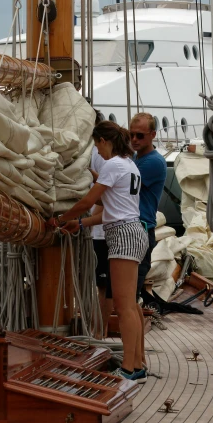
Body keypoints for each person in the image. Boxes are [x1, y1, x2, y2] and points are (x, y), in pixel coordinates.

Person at [51, 121, 148, 381]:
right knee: (131, 306)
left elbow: (87, 201)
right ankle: (137, 363)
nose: (98, 152)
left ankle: (128, 369)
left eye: (97, 145)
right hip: (131, 231)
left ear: (105, 141)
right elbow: (108, 211)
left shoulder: (113, 164)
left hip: (123, 236)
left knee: (124, 306)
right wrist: (80, 223)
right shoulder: (129, 165)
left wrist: (60, 219)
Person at [130, 112, 167, 364]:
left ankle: (136, 361)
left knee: (129, 300)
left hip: (141, 231)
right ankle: (135, 357)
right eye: (131, 135)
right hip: (134, 229)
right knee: (127, 299)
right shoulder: (136, 158)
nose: (134, 139)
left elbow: (121, 184)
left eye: (140, 136)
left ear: (153, 135)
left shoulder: (152, 162)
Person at [90, 111, 113, 338]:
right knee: (104, 287)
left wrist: (82, 222)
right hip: (101, 234)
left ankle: (100, 333)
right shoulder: (104, 158)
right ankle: (99, 332)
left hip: (101, 234)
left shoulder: (102, 157)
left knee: (105, 288)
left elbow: (102, 199)